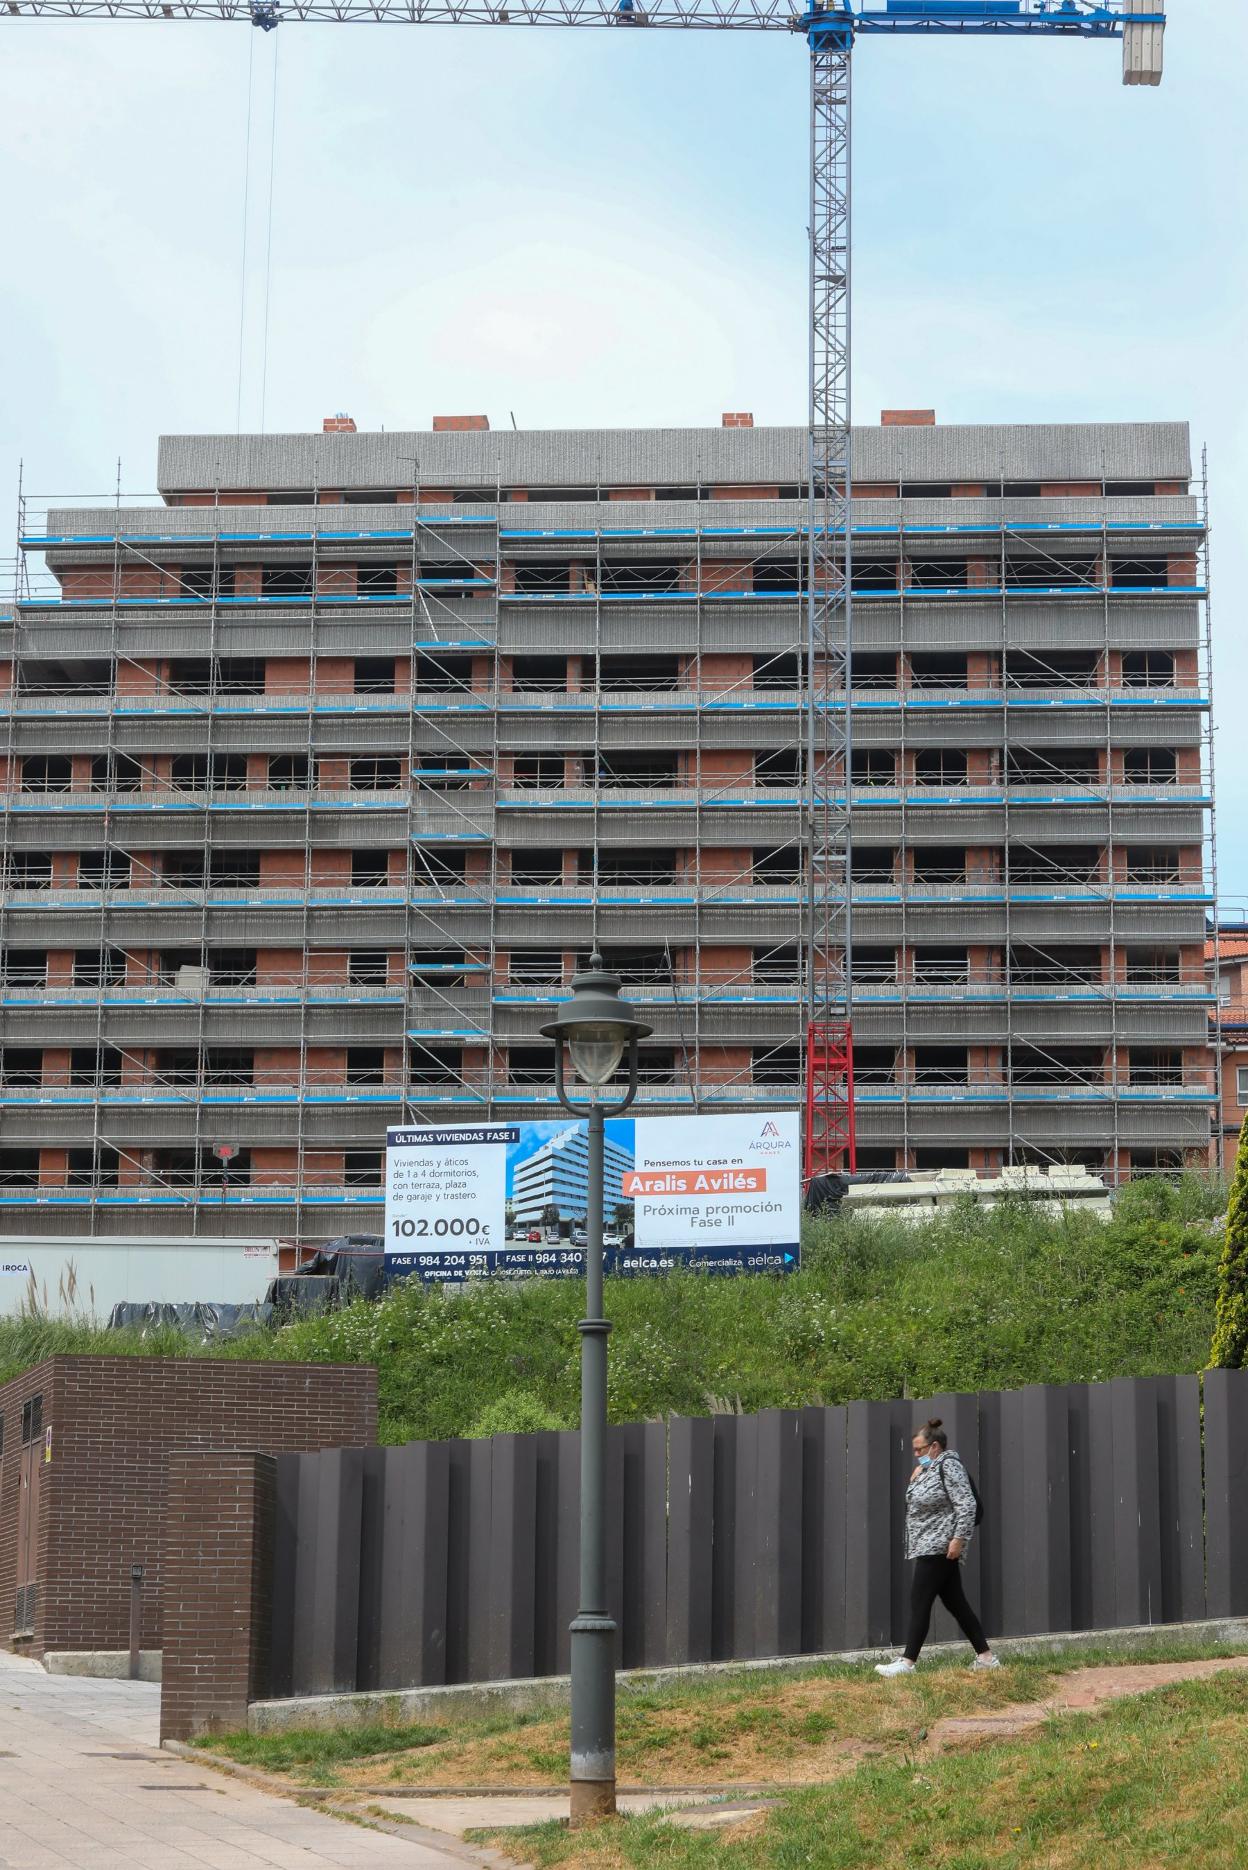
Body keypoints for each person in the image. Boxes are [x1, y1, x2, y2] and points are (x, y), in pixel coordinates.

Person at [875, 1417, 999, 1677]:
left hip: (940, 1545)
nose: (917, 1455)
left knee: (919, 1601)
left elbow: (966, 1504)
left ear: (934, 1447)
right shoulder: (929, 1469)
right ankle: (986, 1658)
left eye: (920, 1450)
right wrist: (917, 1479)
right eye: (915, 1450)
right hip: (929, 1544)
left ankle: (907, 1663)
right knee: (956, 1603)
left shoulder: (949, 1466)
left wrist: (958, 1539)